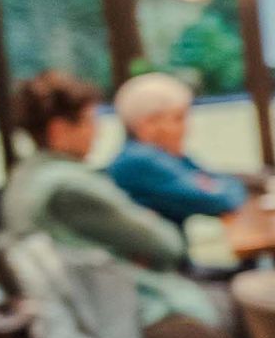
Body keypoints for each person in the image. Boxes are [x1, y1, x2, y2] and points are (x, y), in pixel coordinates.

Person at [3, 72, 237, 338]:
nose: (97, 132)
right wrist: (148, 226)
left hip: (81, 309)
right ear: (59, 130)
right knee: (241, 309)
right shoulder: (70, 186)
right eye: (89, 122)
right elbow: (167, 244)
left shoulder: (24, 178)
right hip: (111, 316)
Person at [106, 72, 251, 229]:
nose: (186, 128)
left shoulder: (165, 155)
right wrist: (224, 186)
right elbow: (220, 201)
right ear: (148, 125)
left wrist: (222, 185)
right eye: (178, 118)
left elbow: (215, 179)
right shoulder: (139, 160)